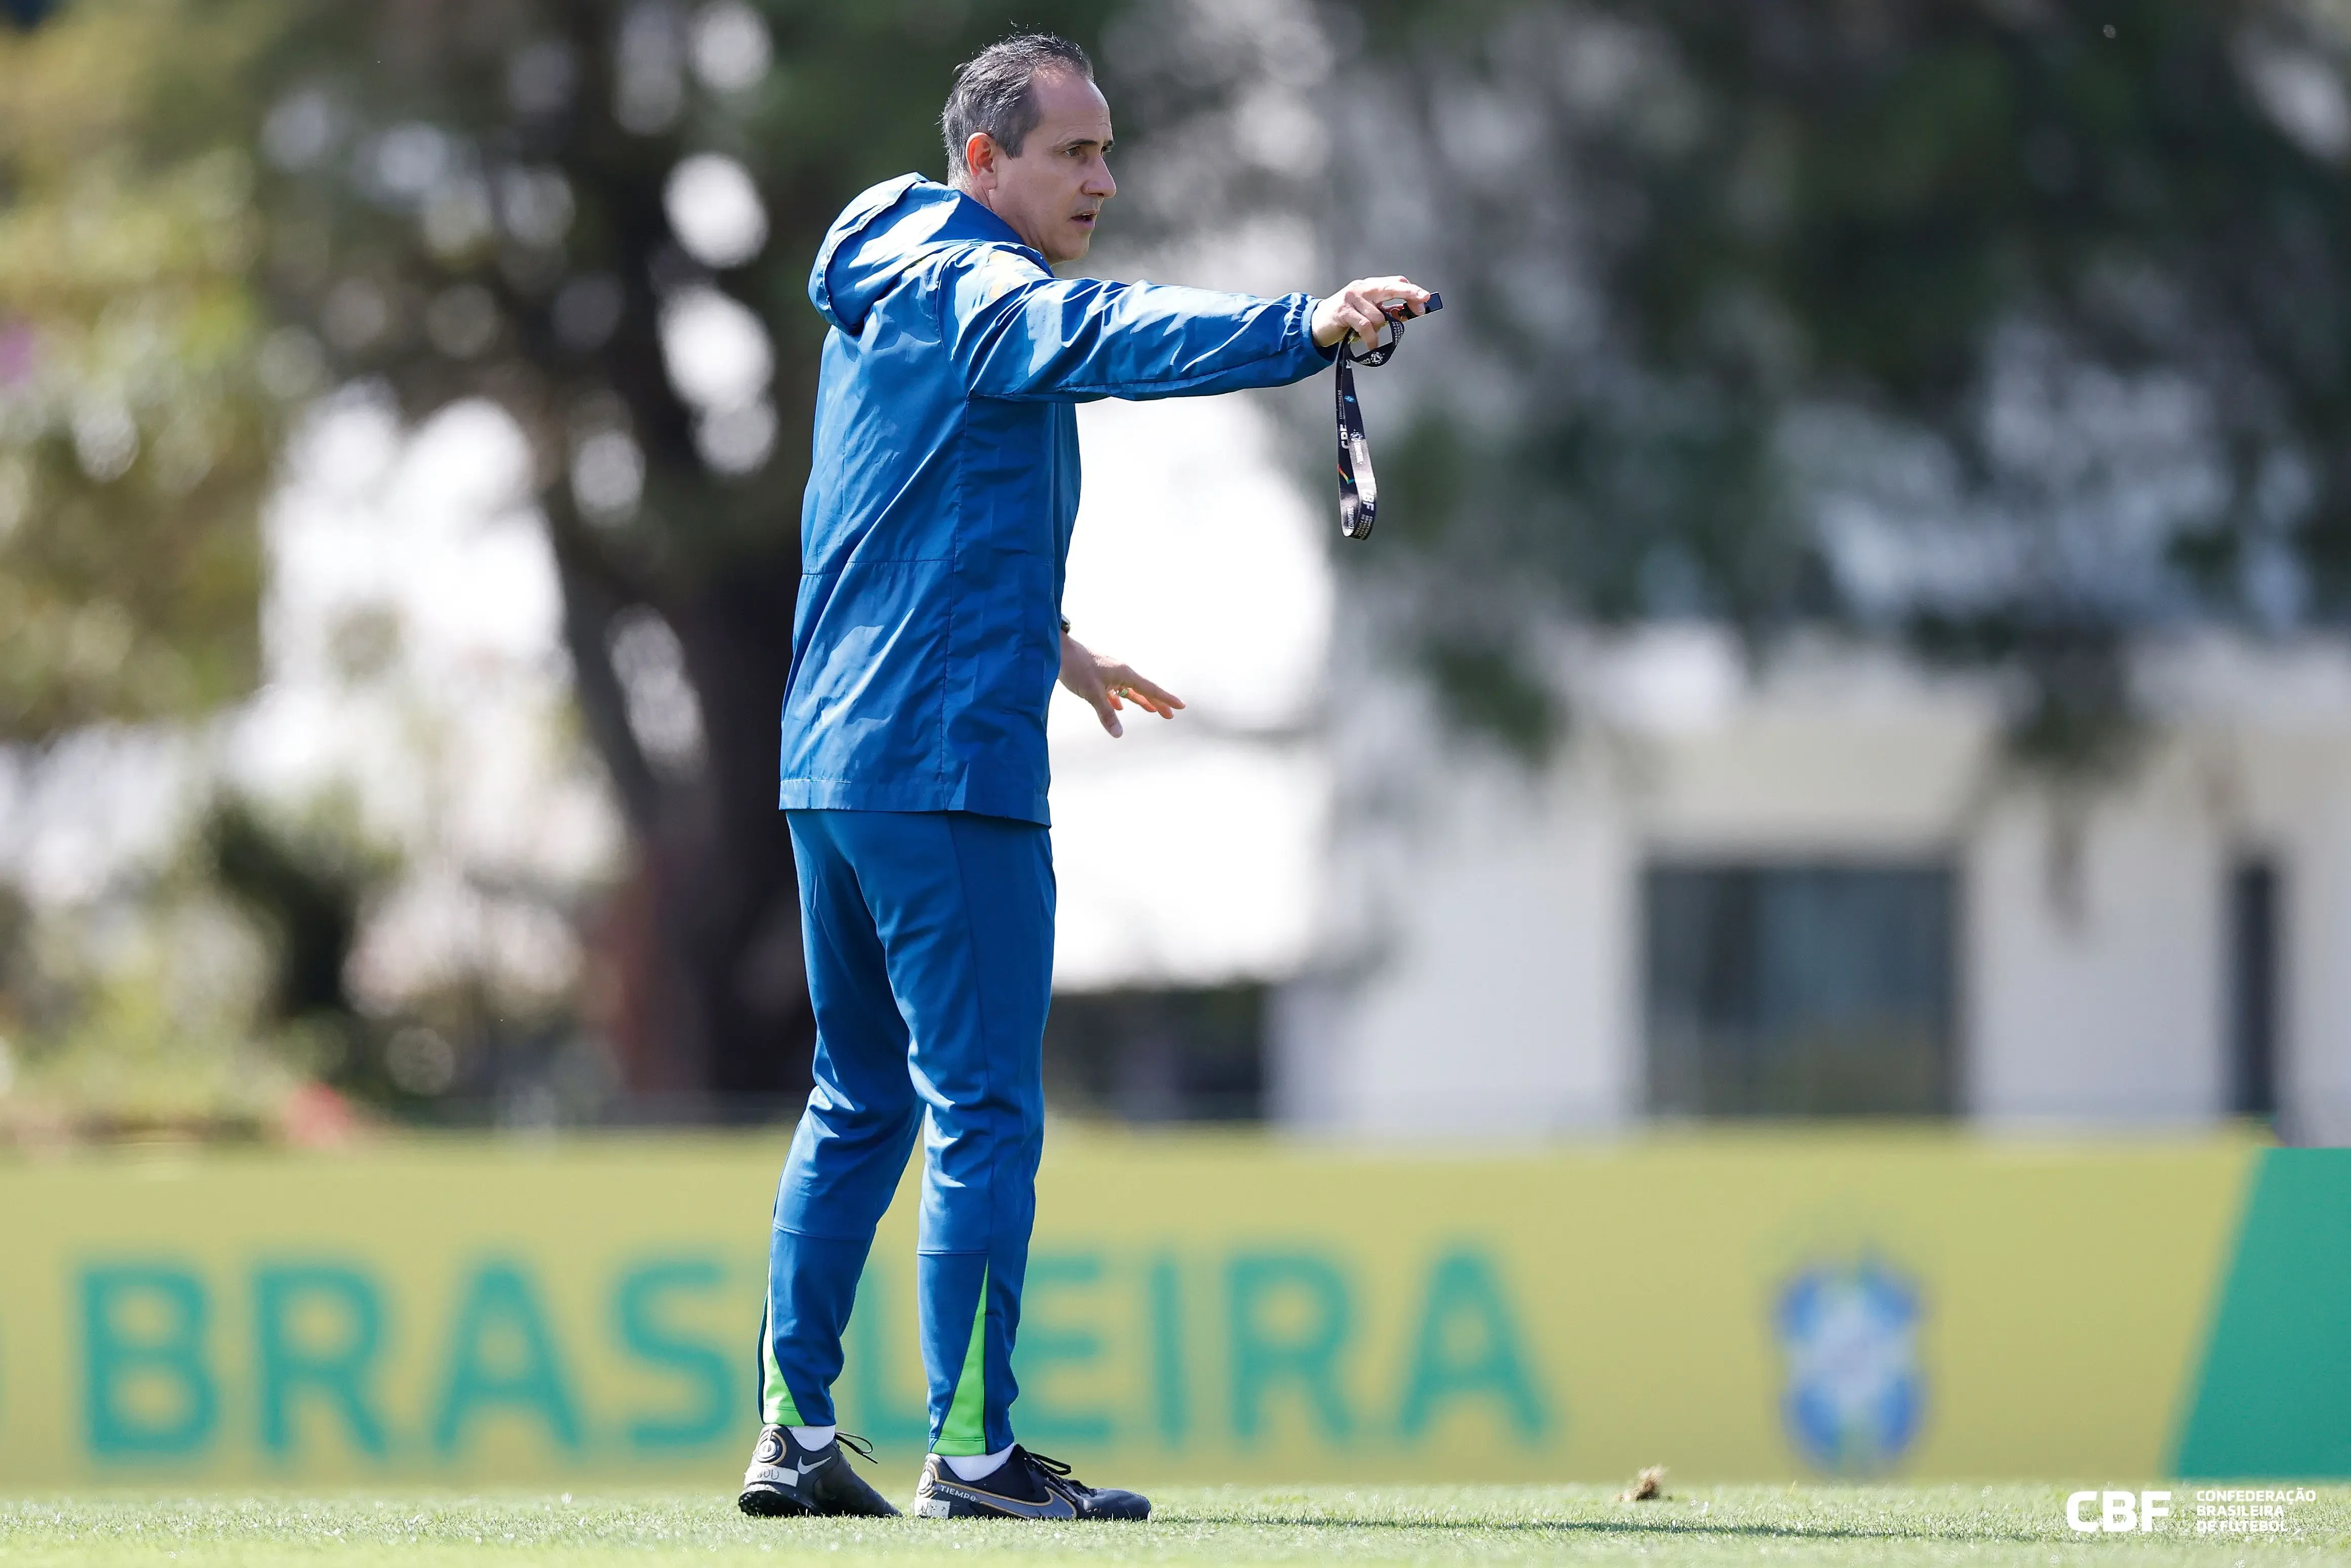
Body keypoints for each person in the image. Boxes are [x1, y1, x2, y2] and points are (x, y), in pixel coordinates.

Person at [735, 31, 1430, 1523]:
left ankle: (792, 1434)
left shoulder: (891, 267)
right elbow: (1105, 334)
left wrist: (1056, 646)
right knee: (981, 1111)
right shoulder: (986, 285)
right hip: (944, 771)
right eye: (1075, 153)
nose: (1105, 178)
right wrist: (1301, 328)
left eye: (1109, 150)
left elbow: (907, 512)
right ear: (982, 162)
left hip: (830, 768)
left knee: (857, 1098)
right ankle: (974, 1458)